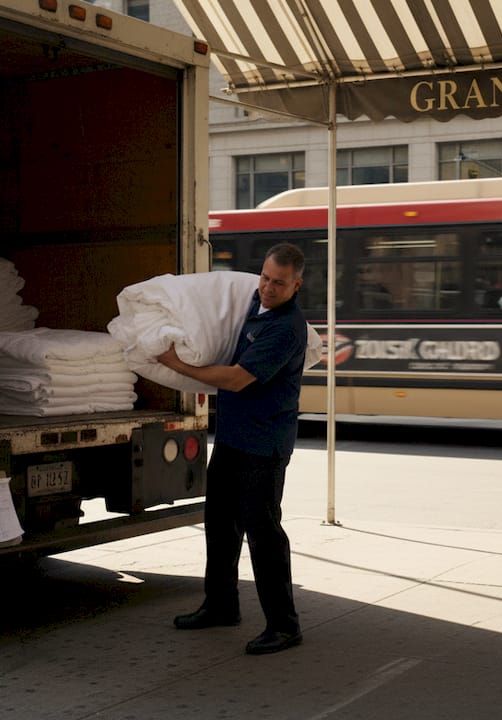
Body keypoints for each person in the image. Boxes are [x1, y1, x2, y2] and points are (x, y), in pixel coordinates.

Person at [156, 243, 308, 655]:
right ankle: (221, 605)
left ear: (296, 284)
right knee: (220, 525)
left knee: (263, 533)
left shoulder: (286, 328)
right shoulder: (254, 308)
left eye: (279, 283)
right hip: (232, 438)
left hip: (264, 444)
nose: (268, 288)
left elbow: (239, 379)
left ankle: (284, 625)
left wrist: (177, 365)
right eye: (264, 277)